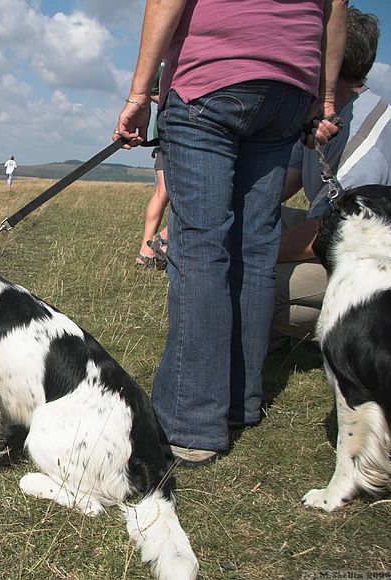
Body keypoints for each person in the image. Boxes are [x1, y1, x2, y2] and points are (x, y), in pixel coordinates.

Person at [114, 0, 347, 466]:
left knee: (201, 247)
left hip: (212, 76)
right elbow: (334, 8)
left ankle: (191, 424)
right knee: (255, 248)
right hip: (289, 87)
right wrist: (322, 99)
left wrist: (140, 95)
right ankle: (240, 401)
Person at [273, 7, 391, 348]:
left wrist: (246, 252)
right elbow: (284, 184)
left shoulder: (366, 141)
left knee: (259, 282)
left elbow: (332, 232)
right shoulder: (327, 116)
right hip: (339, 241)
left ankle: (282, 328)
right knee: (247, 219)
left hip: (369, 263)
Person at [137, 62, 169, 269]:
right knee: (163, 191)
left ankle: (156, 246)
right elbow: (148, 90)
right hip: (169, 134)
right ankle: (148, 249)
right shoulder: (162, 64)